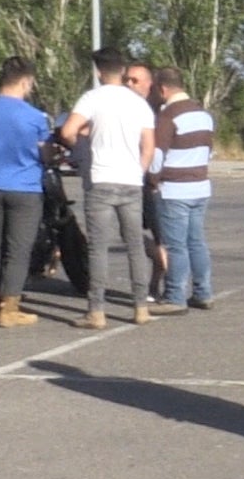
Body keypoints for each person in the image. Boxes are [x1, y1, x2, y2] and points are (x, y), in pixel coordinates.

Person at [60, 46, 157, 329]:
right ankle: (140, 307)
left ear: (99, 72)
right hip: (130, 180)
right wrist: (138, 171)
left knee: (98, 248)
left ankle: (97, 311)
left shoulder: (92, 98)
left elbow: (67, 131)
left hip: (101, 178)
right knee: (135, 245)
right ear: (123, 71)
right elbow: (148, 146)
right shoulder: (138, 103)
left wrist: (79, 145)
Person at [0, 56, 51, 328]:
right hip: (25, 188)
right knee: (18, 250)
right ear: (25, 81)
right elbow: (45, 153)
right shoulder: (34, 116)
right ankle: (9, 309)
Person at [146, 67, 215, 315]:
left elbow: (157, 156)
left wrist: (152, 179)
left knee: (175, 246)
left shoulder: (167, 116)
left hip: (174, 189)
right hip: (200, 186)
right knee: (196, 242)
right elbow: (210, 152)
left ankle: (175, 296)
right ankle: (203, 292)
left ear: (162, 89)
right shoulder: (203, 115)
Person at [125, 60, 169, 299]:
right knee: (131, 232)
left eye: (134, 80)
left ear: (149, 85)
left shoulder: (152, 112)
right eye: (127, 80)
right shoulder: (124, 106)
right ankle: (155, 284)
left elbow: (156, 151)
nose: (129, 84)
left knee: (161, 239)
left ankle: (158, 286)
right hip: (134, 184)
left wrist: (149, 174)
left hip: (150, 184)